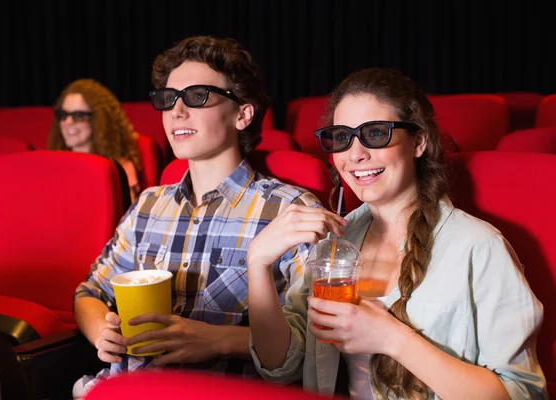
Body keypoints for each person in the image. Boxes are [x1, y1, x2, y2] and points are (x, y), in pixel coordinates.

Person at [247, 67, 548, 399]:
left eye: (376, 133)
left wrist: (392, 338)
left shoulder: (479, 247)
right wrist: (257, 263)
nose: (355, 154)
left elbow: (520, 394)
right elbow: (280, 366)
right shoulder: (335, 247)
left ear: (418, 141)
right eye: (342, 137)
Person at [72, 36, 323, 398]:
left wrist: (218, 340)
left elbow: (311, 350)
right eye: (168, 99)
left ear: (242, 113)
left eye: (197, 96)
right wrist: (102, 332)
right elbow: (90, 292)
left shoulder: (290, 210)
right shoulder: (148, 205)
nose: (176, 111)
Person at [48, 78, 142, 201]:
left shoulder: (120, 169)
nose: (68, 122)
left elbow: (129, 218)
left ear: (100, 120)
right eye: (64, 115)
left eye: (79, 115)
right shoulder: (53, 166)